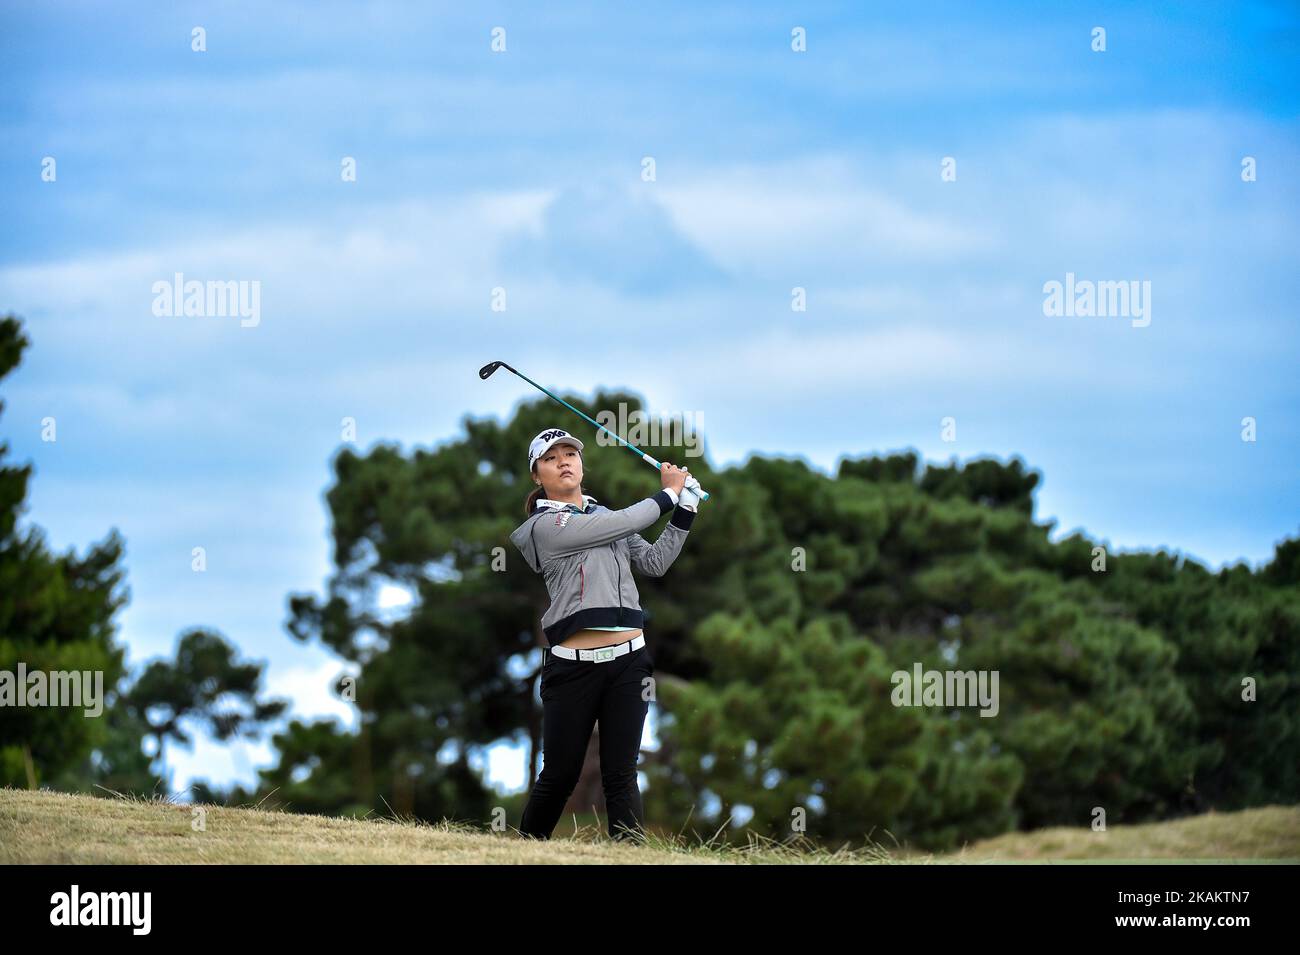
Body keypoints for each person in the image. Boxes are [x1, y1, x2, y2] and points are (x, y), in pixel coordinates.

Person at [509, 427, 703, 842]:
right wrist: (667, 495)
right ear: (536, 475)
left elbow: (654, 562)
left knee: (621, 774)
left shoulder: (604, 518)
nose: (564, 461)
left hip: (629, 663)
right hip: (571, 670)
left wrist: (685, 509)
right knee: (560, 776)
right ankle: (524, 851)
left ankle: (628, 855)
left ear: (581, 464)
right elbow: (621, 522)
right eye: (551, 457)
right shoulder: (546, 526)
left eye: (570, 454)